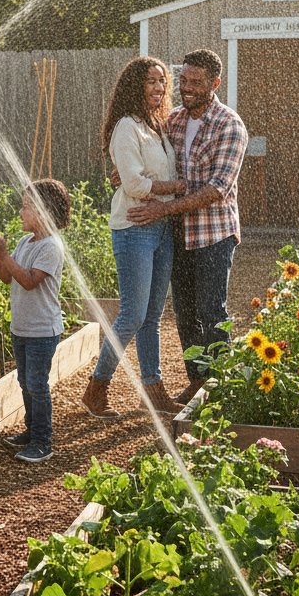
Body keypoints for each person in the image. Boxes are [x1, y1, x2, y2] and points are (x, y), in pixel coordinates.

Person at [127, 48, 249, 405]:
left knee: (212, 310)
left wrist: (163, 209)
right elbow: (147, 153)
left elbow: (216, 189)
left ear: (215, 83)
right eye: (183, 80)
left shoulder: (230, 125)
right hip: (178, 235)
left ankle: (222, 389)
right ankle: (198, 382)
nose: (187, 88)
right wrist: (127, 169)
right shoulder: (175, 120)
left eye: (196, 82)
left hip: (214, 234)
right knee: (184, 312)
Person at [82, 57, 186, 420]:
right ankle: (97, 389)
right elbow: (135, 185)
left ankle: (154, 391)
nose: (159, 88)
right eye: (151, 82)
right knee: (131, 315)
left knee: (153, 316)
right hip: (134, 229)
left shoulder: (157, 125)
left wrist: (167, 195)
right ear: (134, 86)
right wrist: (177, 188)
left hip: (161, 228)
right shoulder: (127, 127)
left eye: (162, 81)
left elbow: (141, 177)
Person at [0, 179, 70, 465]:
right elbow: (7, 276)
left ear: (44, 210)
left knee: (37, 385)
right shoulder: (25, 241)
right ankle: (31, 431)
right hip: (22, 329)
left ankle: (43, 441)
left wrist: (3, 254)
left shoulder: (51, 247)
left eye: (26, 206)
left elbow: (28, 281)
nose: (20, 212)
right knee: (26, 383)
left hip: (42, 331)